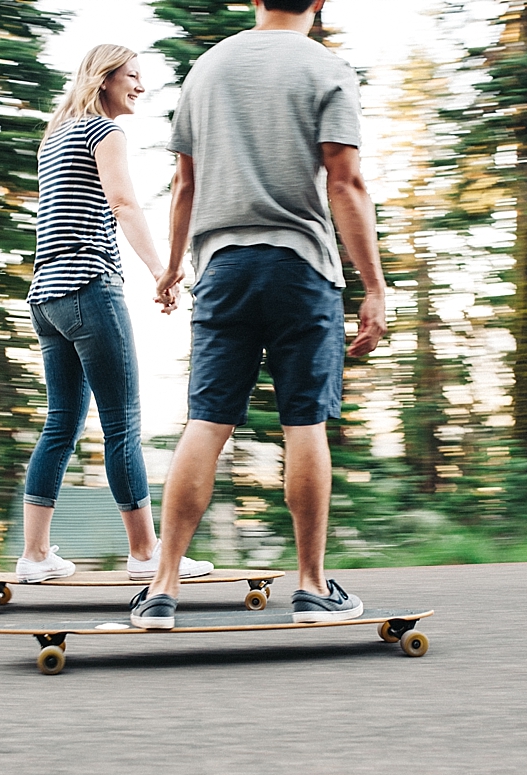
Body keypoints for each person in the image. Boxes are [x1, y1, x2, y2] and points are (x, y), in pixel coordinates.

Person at [129, 0, 387, 628]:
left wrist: (171, 264)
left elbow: (184, 184)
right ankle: (310, 586)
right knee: (304, 424)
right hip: (301, 267)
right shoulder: (326, 68)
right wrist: (374, 286)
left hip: (222, 267)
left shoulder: (207, 69)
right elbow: (344, 181)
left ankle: (162, 588)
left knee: (207, 422)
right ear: (318, 1)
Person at [16, 44, 213, 584]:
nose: (140, 86)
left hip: (47, 297)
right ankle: (146, 552)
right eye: (132, 76)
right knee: (122, 423)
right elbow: (123, 204)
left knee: (61, 424)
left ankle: (33, 556)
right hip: (89, 288)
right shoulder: (105, 132)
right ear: (104, 80)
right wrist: (161, 270)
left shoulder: (55, 135)